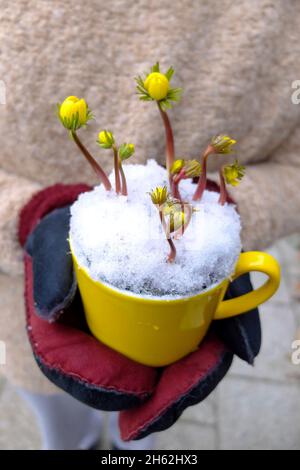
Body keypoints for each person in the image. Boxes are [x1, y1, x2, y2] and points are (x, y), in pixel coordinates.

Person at [0, 0, 299, 449]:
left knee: (142, 432)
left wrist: (224, 213)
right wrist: (27, 214)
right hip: (22, 315)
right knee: (60, 428)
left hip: (179, 331)